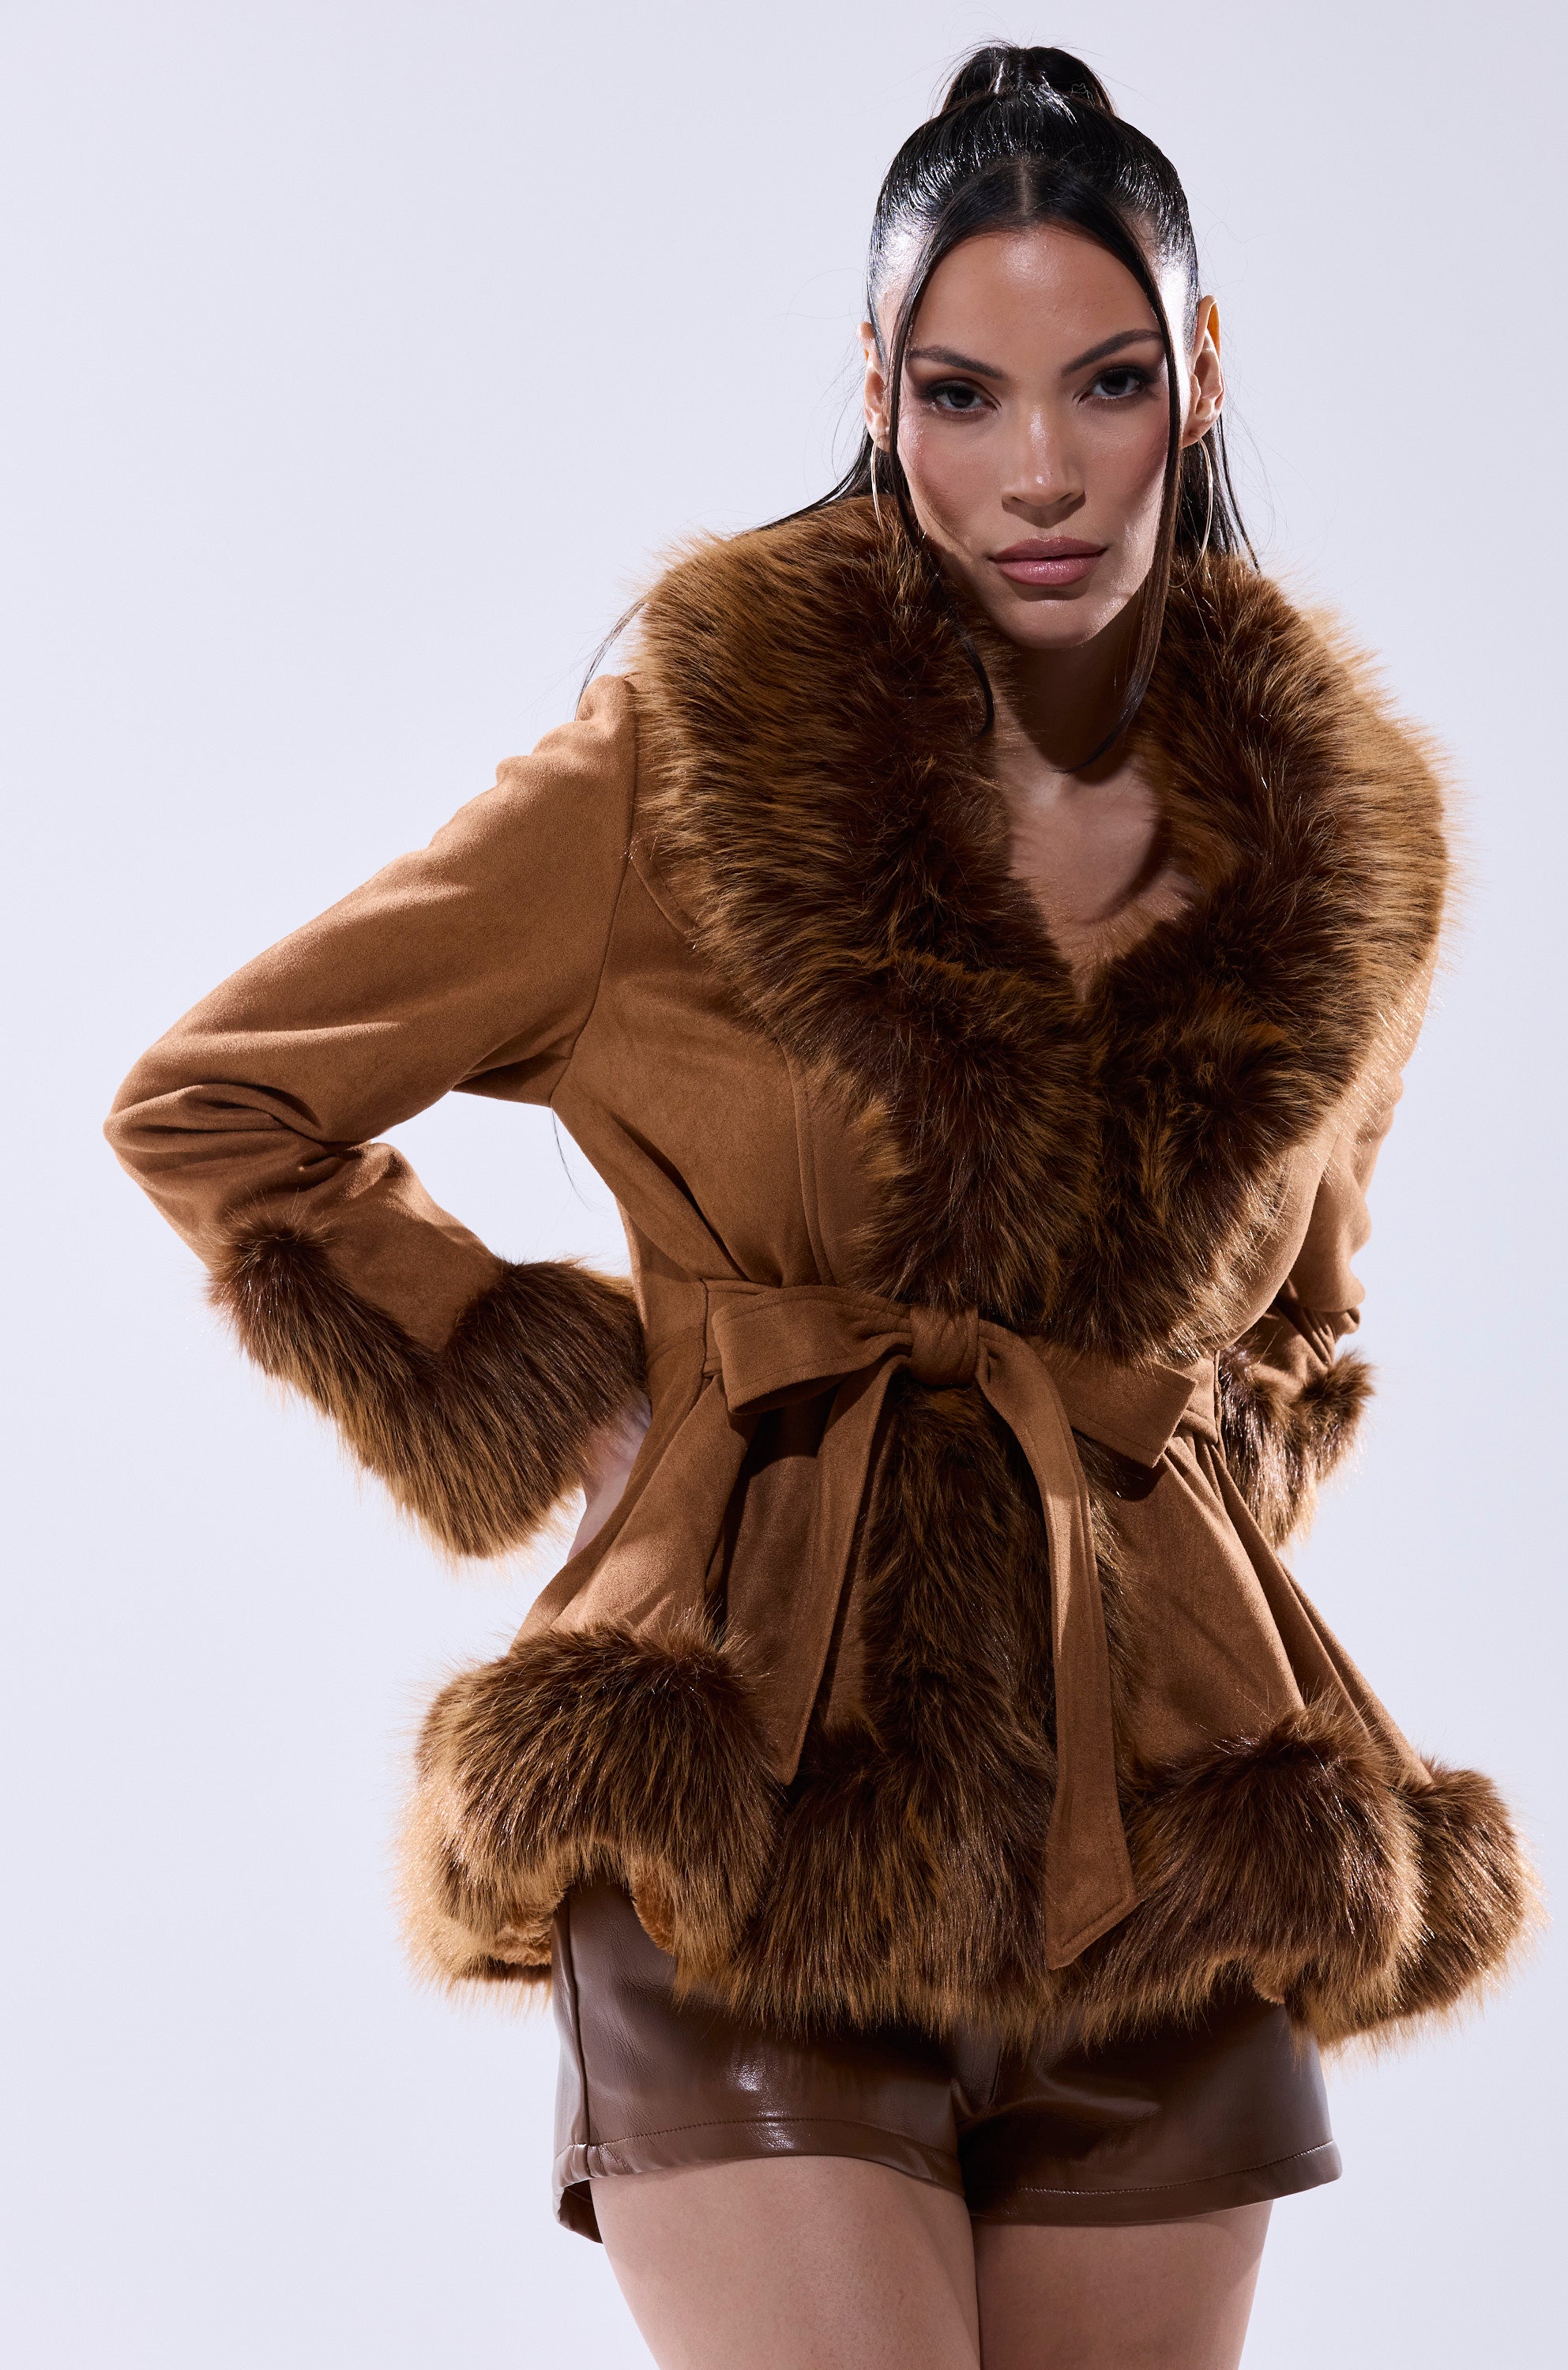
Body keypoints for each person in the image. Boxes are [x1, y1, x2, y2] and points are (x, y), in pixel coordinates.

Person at [106, 43, 1532, 2370]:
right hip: (746, 1791)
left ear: (1198, 379)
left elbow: (1296, 1328)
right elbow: (220, 1101)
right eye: (963, 393)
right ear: (873, 385)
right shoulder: (691, 751)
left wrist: (1156, 1516)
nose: (1040, 467)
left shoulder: (1347, 850)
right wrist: (587, 1412)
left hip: (1164, 1825)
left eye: (1103, 382)